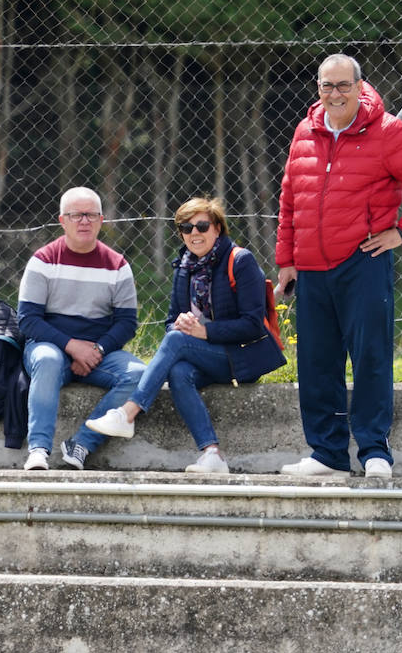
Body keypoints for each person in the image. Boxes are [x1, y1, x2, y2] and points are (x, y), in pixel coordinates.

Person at [275, 54, 402, 479]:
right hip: (311, 270)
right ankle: (327, 455)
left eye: (343, 86)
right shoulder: (304, 131)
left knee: (369, 357)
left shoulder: (387, 132)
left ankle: (374, 451)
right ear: (318, 88)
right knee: (317, 363)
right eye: (327, 86)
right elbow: (290, 199)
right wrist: (286, 261)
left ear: (359, 85)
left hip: (362, 264)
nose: (335, 95)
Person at [84, 197, 285, 473]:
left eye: (202, 226)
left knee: (178, 343)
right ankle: (212, 453)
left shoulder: (241, 261)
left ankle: (128, 413)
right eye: (186, 228)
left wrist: (204, 331)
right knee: (178, 371)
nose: (194, 234)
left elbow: (252, 324)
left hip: (241, 356)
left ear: (217, 228)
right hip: (204, 356)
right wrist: (181, 322)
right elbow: (170, 325)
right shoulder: (184, 267)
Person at [17, 186, 147, 470]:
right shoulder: (43, 260)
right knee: (49, 361)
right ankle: (38, 450)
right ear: (62, 221)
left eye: (91, 215)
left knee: (139, 374)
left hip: (97, 352)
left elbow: (127, 323)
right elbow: (27, 320)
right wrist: (72, 347)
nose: (84, 221)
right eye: (76, 215)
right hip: (50, 347)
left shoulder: (117, 265)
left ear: (102, 220)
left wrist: (97, 351)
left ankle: (82, 444)